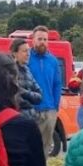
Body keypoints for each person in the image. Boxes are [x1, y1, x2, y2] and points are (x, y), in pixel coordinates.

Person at [27, 26, 62, 156]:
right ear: (33, 40)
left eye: (45, 39)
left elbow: (57, 84)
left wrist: (55, 106)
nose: (43, 42)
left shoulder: (53, 60)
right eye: (40, 39)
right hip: (31, 109)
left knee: (45, 147)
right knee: (30, 145)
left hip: (49, 110)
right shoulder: (26, 58)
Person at [10, 38, 42, 122]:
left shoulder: (28, 70)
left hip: (32, 118)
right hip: (16, 119)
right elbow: (15, 97)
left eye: (29, 51)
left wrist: (25, 93)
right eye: (24, 51)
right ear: (15, 53)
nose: (28, 54)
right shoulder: (9, 71)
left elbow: (39, 96)